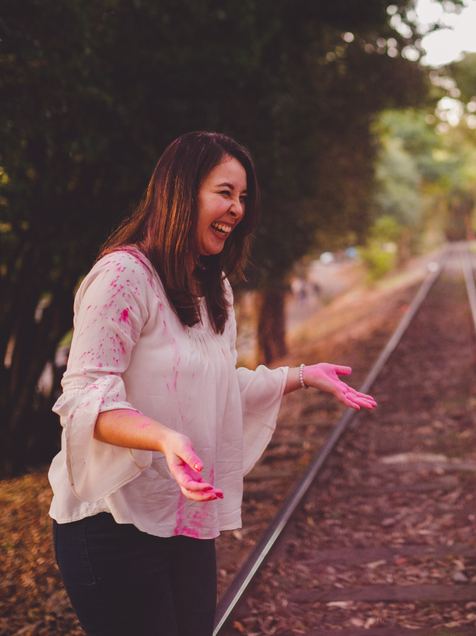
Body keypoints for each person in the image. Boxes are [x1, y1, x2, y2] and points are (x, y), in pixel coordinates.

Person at [48, 131, 376, 636]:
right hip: (111, 520)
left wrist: (303, 377)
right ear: (181, 192)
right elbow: (85, 401)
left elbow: (215, 391)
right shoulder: (121, 277)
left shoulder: (210, 287)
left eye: (243, 197)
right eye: (225, 192)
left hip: (182, 514)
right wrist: (163, 438)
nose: (238, 209)